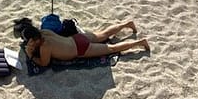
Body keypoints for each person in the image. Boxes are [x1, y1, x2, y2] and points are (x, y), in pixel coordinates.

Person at [16, 18, 149, 66]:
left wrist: (30, 55)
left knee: (112, 49)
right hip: (77, 38)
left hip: (80, 50)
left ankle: (140, 43)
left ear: (34, 40)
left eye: (30, 42)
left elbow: (44, 63)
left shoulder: (45, 46)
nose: (29, 44)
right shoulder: (44, 31)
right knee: (104, 34)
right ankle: (127, 24)